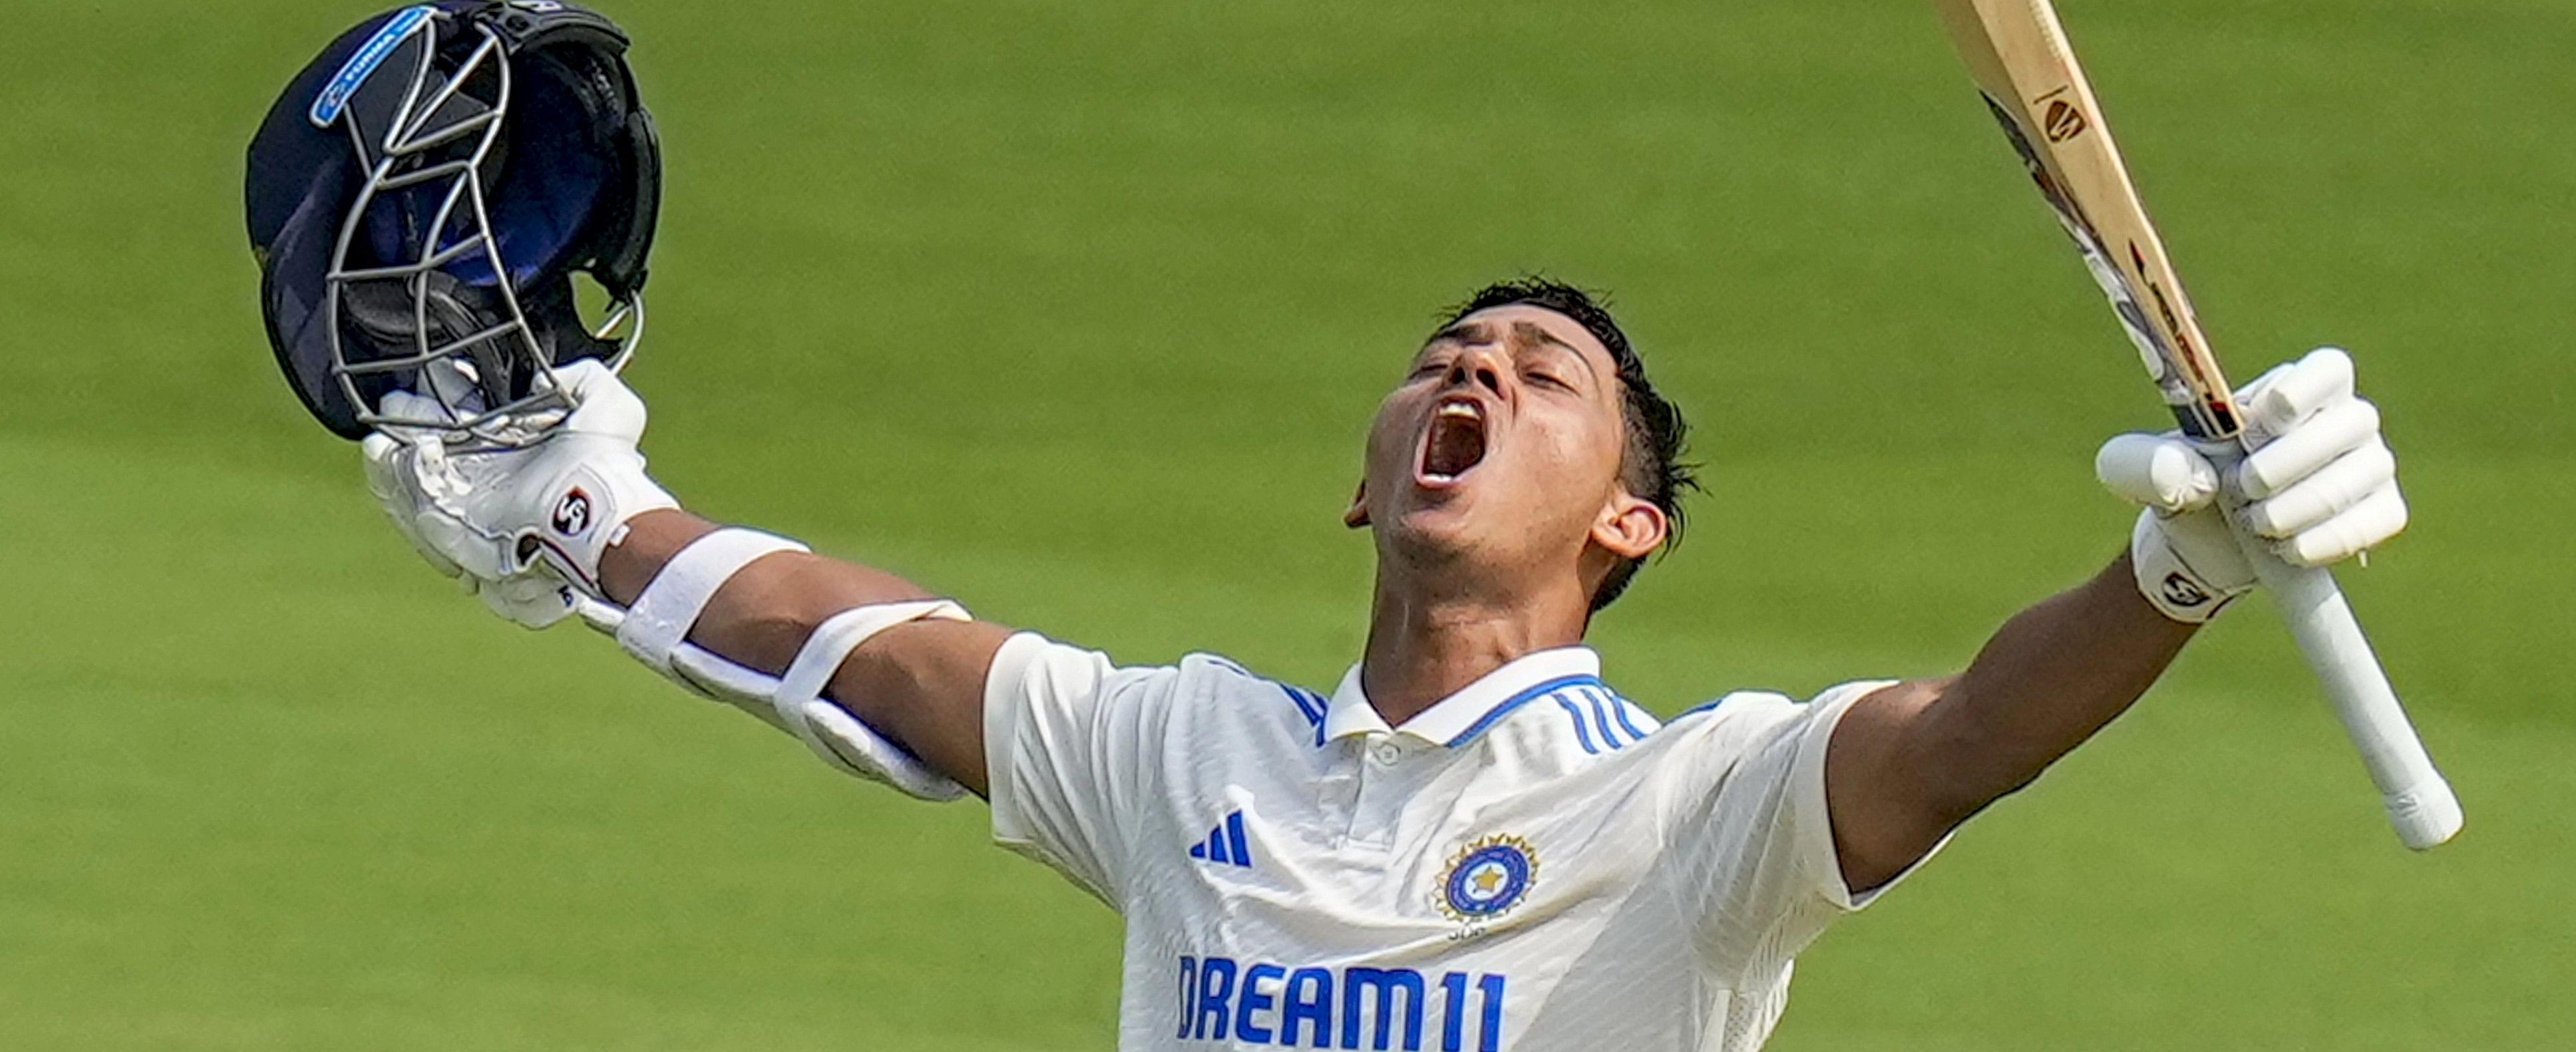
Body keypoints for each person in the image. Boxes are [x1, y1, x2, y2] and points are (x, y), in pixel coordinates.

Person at [361, 275, 2406, 1052]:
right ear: (1367, 486)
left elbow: (1966, 737)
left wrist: (2172, 571)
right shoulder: (1185, 751)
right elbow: (862, 645)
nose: (1473, 373)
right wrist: (582, 521)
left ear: (1630, 523)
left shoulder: (1696, 808)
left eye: (1542, 376)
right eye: (1445, 358)